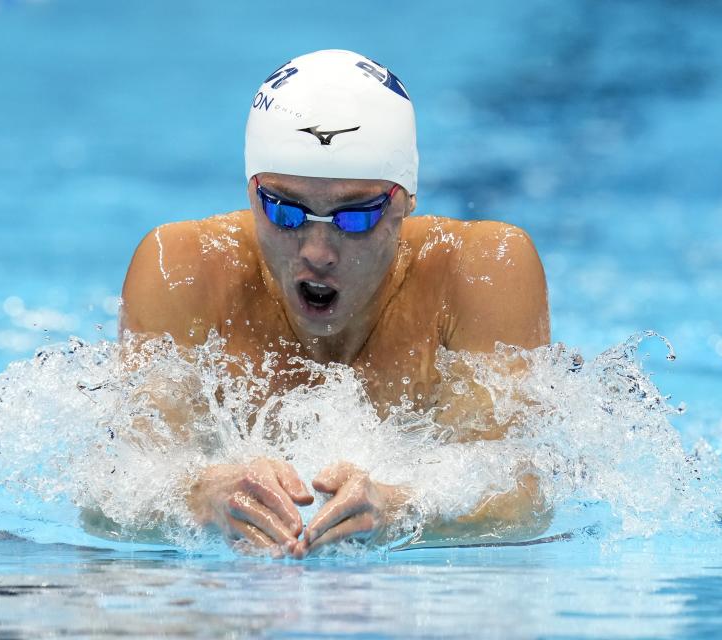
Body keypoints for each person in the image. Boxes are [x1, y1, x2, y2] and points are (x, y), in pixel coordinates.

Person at [120, 49, 551, 558]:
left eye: (354, 217)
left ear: (404, 201)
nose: (317, 253)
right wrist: (203, 497)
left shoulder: (482, 270)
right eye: (285, 210)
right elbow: (114, 491)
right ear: (252, 193)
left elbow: (523, 500)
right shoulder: (183, 268)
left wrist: (398, 509)